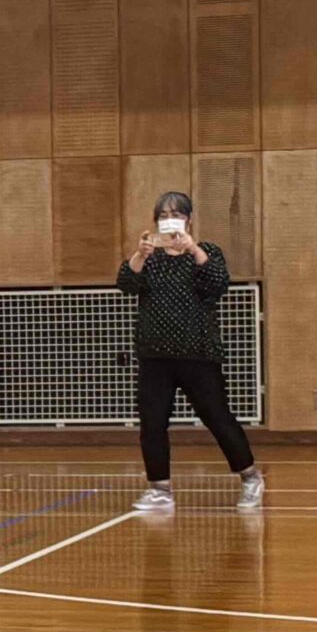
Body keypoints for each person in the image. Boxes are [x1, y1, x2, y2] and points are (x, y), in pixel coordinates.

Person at [116, 192, 262, 515]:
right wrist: (139, 255)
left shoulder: (206, 251)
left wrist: (193, 249)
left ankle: (250, 477)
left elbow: (218, 283)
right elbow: (126, 284)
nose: (170, 221)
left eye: (177, 215)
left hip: (198, 354)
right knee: (152, 423)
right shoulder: (149, 257)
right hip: (155, 356)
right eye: (164, 215)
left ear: (189, 220)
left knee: (217, 417)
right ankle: (159, 490)